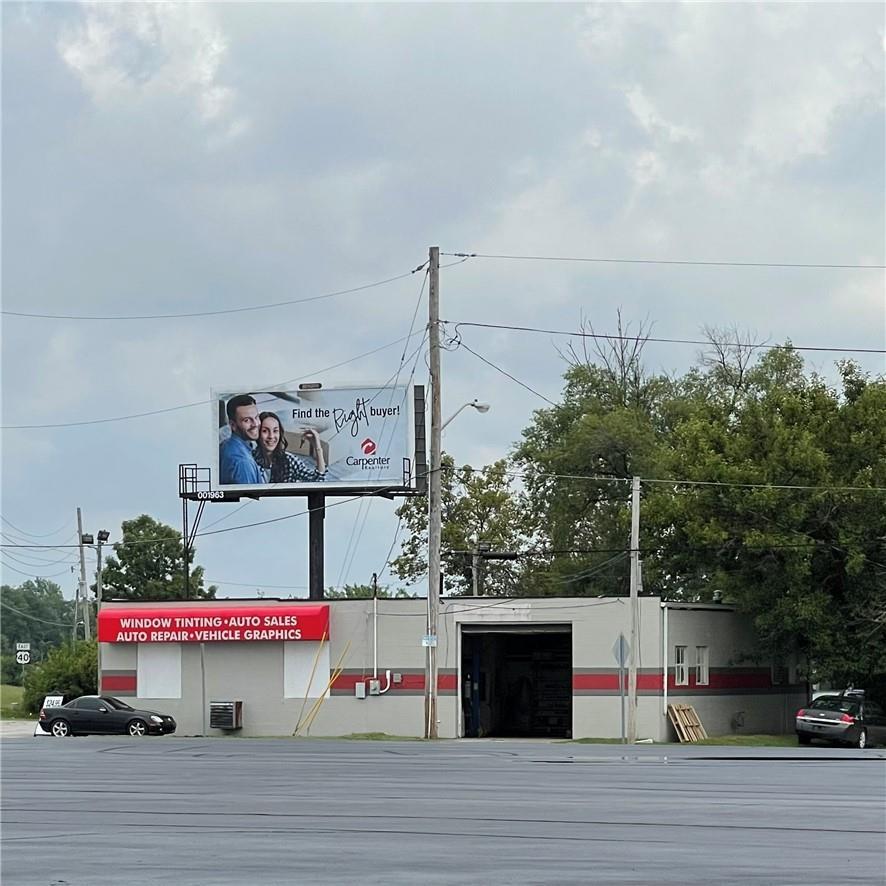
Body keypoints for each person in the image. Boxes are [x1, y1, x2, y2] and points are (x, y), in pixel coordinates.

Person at [254, 411, 327, 483]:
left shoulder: (289, 461)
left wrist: (318, 448)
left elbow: (318, 480)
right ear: (257, 433)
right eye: (265, 431)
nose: (271, 436)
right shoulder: (250, 459)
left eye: (275, 431)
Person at [219, 394, 264, 485]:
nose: (255, 424)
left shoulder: (226, 444)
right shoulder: (243, 463)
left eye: (256, 417)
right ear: (233, 425)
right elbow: (249, 498)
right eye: (247, 420)